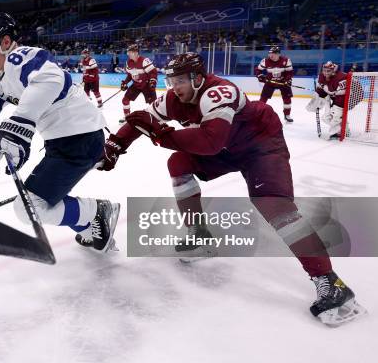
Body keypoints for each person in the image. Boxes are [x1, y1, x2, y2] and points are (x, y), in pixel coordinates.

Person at [97, 52, 364, 324]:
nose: (174, 87)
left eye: (180, 81)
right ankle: (199, 235)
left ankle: (331, 283)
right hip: (227, 146)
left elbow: (209, 143)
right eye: (171, 80)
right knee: (178, 162)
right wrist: (115, 146)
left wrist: (161, 134)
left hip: (260, 145)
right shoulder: (173, 98)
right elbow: (142, 118)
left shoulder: (219, 91)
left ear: (198, 79)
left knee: (273, 205)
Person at [0, 13, 119, 252]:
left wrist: (19, 127)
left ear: (5, 42)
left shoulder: (22, 57)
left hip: (81, 139)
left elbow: (51, 79)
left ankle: (94, 213)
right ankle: (90, 222)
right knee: (33, 204)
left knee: (30, 207)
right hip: (63, 142)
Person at [307, 61, 355, 139]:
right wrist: (316, 101)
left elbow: (345, 93)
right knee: (326, 117)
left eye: (328, 71)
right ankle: (344, 130)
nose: (326, 73)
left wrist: (337, 106)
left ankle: (338, 131)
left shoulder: (341, 77)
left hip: (350, 96)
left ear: (333, 70)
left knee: (336, 115)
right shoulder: (322, 76)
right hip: (336, 97)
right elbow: (321, 90)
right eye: (324, 70)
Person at [255, 45, 294, 122]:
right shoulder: (265, 61)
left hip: (283, 82)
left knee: (287, 99)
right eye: (270, 53)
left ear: (278, 54)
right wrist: (260, 76)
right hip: (269, 82)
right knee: (263, 99)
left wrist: (288, 80)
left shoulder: (286, 60)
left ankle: (287, 114)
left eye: (273, 53)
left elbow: (290, 72)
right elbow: (258, 70)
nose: (271, 55)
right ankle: (258, 113)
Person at [119, 44, 158, 123]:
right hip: (136, 85)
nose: (128, 54)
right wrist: (125, 83)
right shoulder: (128, 62)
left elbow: (153, 72)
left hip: (146, 85)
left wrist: (152, 81)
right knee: (125, 100)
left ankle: (156, 118)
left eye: (130, 52)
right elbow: (130, 75)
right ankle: (127, 117)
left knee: (153, 103)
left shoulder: (144, 61)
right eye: (128, 52)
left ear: (136, 53)